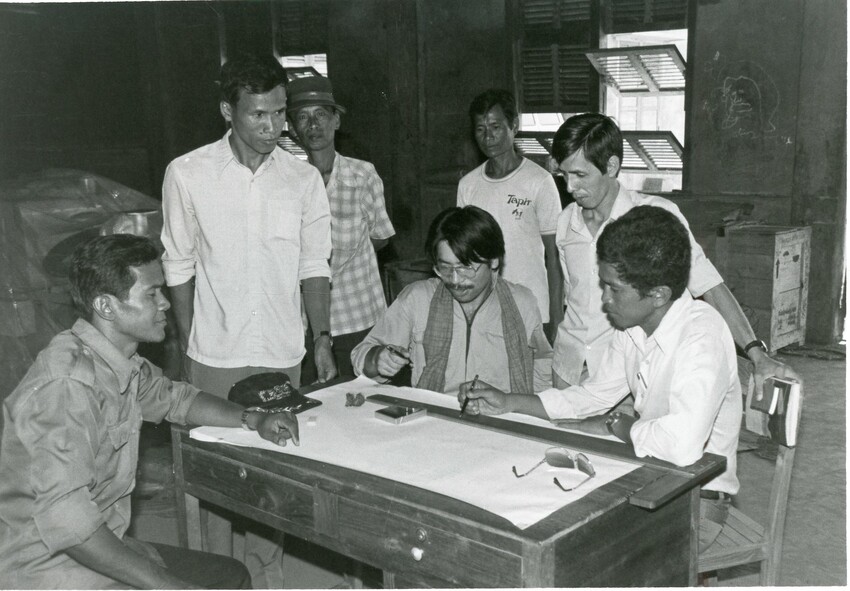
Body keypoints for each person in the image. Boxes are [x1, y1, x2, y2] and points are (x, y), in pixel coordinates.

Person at [0, 234, 300, 589]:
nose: (166, 304)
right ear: (106, 307)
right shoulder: (67, 386)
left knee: (229, 576)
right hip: (45, 570)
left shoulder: (116, 362)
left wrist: (253, 418)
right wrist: (166, 584)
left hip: (88, 544)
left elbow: (174, 398)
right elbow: (68, 522)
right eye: (151, 294)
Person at [460, 206, 741, 551]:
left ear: (659, 295)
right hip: (646, 474)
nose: (604, 300)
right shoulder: (634, 325)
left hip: (697, 501)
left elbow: (680, 446)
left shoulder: (702, 338)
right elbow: (591, 396)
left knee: (584, 554)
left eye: (614, 289)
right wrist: (509, 401)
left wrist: (619, 426)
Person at [160, 52, 334, 587]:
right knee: (216, 485)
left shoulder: (302, 179)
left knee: (272, 480)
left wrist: (322, 338)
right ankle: (219, 579)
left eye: (279, 112)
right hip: (214, 351)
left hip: (283, 350)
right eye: (258, 114)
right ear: (227, 111)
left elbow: (313, 264)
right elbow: (178, 263)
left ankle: (268, 577)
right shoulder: (187, 174)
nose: (273, 126)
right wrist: (188, 346)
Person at [548, 113, 798, 397]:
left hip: (630, 377)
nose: (570, 187)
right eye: (564, 175)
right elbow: (575, 299)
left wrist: (755, 353)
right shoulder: (566, 221)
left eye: (580, 175)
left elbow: (710, 287)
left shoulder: (656, 217)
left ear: (612, 166)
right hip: (568, 367)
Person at [351, 206, 552, 394]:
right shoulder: (418, 299)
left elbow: (543, 367)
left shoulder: (522, 304)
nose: (455, 281)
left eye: (465, 268)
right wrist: (377, 359)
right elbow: (361, 354)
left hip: (501, 419)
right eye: (445, 268)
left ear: (494, 261)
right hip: (434, 417)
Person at [286, 75, 395, 380]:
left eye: (321, 115)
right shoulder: (288, 182)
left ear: (336, 121)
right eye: (303, 118)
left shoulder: (362, 175)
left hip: (359, 315)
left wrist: (339, 261)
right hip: (306, 320)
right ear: (293, 130)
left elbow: (381, 238)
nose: (313, 125)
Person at [457, 89, 563, 341]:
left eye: (495, 126)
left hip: (533, 308)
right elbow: (463, 252)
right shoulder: (468, 185)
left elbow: (555, 255)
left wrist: (556, 317)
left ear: (513, 125)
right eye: (480, 129)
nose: (488, 136)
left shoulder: (539, 181)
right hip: (484, 308)